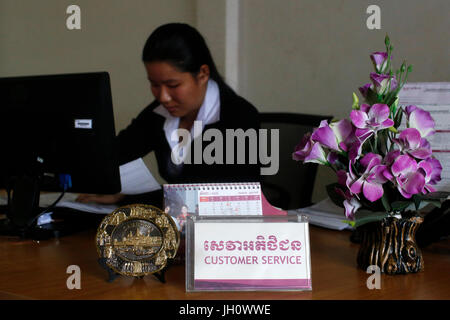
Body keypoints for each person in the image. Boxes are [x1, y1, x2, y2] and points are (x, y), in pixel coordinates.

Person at [77, 23, 260, 206]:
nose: (163, 97)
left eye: (173, 85)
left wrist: (127, 196)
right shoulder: (159, 113)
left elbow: (214, 199)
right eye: (155, 85)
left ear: (203, 74)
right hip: (175, 226)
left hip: (219, 230)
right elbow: (115, 154)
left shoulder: (240, 117)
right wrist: (107, 184)